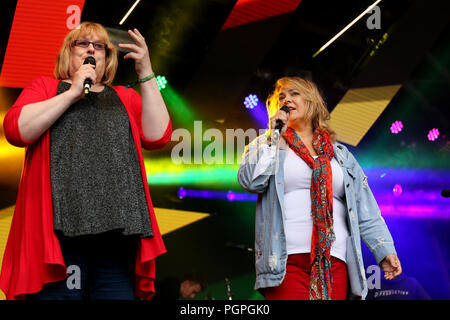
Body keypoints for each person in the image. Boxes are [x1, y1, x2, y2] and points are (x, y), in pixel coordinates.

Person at [0, 22, 172, 300]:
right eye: (82, 43)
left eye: (100, 46)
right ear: (68, 54)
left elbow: (158, 135)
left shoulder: (125, 97)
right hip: (61, 238)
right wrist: (71, 92)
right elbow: (17, 130)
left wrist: (146, 73)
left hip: (117, 237)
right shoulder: (45, 87)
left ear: (107, 58)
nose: (91, 48)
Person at [237, 76, 402, 300]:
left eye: (294, 93)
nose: (287, 99)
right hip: (286, 263)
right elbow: (250, 181)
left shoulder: (341, 155)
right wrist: (274, 135)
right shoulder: (268, 144)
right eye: (281, 97)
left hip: (333, 261)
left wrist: (384, 249)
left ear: (312, 101)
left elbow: (366, 208)